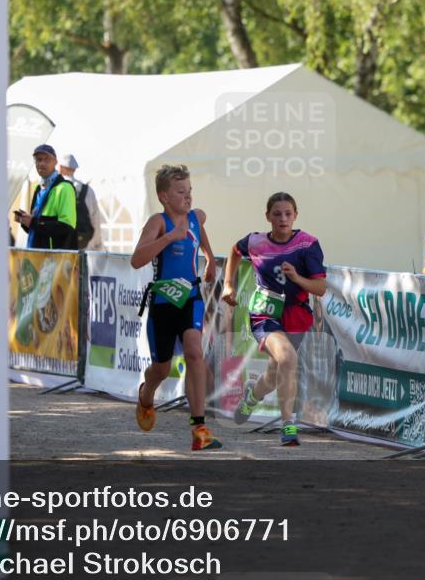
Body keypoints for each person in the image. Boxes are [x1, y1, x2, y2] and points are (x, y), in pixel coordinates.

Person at [221, 192, 327, 446]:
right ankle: (288, 425)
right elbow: (235, 251)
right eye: (277, 214)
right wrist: (228, 284)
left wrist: (297, 279)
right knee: (288, 357)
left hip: (295, 313)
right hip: (265, 313)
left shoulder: (307, 244)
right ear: (267, 216)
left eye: (288, 214)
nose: (283, 219)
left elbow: (320, 288)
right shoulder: (255, 242)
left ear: (296, 215)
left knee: (274, 372)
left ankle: (252, 396)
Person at [130, 164, 220, 451]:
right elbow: (136, 259)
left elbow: (200, 226)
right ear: (164, 196)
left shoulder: (196, 216)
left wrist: (209, 257)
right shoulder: (158, 222)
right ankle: (146, 396)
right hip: (162, 302)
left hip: (190, 297)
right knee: (162, 369)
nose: (188, 197)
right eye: (181, 192)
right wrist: (168, 238)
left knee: (195, 352)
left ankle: (199, 429)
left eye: (190, 191)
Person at [14, 144, 77, 250]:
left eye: (47, 160)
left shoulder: (65, 188)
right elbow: (38, 230)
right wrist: (25, 222)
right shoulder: (39, 189)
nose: (41, 163)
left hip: (55, 261)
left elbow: (67, 227)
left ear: (55, 162)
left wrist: (33, 222)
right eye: (38, 160)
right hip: (37, 258)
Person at [57, 152, 104, 251]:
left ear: (60, 168)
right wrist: (97, 245)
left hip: (60, 247)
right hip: (84, 244)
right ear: (74, 169)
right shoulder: (88, 191)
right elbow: (95, 220)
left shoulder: (56, 189)